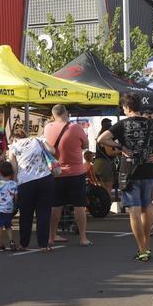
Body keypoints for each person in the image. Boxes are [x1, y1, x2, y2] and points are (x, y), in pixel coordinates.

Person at [99, 94, 153, 261]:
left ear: (126, 108)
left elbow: (101, 139)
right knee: (146, 207)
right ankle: (147, 246)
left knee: (133, 211)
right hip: (148, 168)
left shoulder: (122, 124)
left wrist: (120, 146)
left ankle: (141, 249)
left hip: (129, 170)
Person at [44, 104, 91, 247]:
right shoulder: (75, 127)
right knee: (79, 206)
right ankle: (83, 238)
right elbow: (86, 144)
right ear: (66, 113)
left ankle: (51, 237)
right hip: (76, 172)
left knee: (55, 206)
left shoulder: (48, 128)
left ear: (53, 115)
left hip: (56, 172)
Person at [8, 133, 55, 252]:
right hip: (45, 178)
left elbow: (14, 168)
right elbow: (52, 150)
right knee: (44, 212)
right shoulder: (38, 139)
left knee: (25, 214)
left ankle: (24, 244)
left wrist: (14, 186)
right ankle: (43, 244)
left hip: (25, 181)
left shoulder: (14, 146)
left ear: (13, 139)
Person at [0, 161, 18, 251]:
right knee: (8, 226)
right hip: (9, 209)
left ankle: (1, 244)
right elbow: (16, 197)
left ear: (0, 172)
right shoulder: (14, 184)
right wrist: (15, 206)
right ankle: (11, 241)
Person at [93, 118, 118, 195]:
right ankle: (106, 205)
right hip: (104, 164)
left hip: (98, 163)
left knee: (102, 189)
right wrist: (121, 151)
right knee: (108, 188)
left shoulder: (100, 135)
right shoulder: (106, 137)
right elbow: (110, 152)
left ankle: (102, 205)